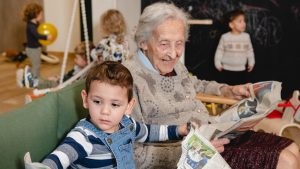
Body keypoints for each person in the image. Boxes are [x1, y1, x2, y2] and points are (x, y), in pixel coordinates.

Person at [122, 2, 300, 169]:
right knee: (286, 161)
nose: (174, 53)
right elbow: (134, 153)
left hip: (211, 133)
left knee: (292, 147)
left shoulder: (172, 64)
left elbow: (195, 84)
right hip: (188, 155)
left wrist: (229, 90)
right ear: (143, 42)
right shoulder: (126, 81)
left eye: (179, 43)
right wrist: (196, 150)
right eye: (164, 44)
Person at [36, 61, 190, 168]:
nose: (105, 111)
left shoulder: (128, 124)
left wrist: (178, 130)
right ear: (85, 99)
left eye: (115, 105)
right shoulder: (83, 136)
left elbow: (149, 132)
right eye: (97, 102)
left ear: (129, 106)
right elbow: (60, 156)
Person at [17, 41, 95, 89]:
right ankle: (28, 81)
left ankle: (32, 82)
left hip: (67, 88)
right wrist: (59, 77)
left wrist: (58, 80)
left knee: (51, 84)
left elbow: (73, 82)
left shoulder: (86, 72)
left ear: (86, 60)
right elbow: (68, 75)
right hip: (64, 83)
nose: (74, 60)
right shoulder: (77, 67)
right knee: (49, 80)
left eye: (77, 58)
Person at [214, 9, 255, 85]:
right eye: (240, 21)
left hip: (241, 71)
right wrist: (217, 63)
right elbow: (219, 51)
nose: (244, 23)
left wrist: (251, 62)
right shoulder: (225, 37)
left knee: (241, 91)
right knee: (226, 90)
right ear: (231, 25)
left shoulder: (246, 37)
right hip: (226, 70)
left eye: (244, 21)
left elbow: (250, 51)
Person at [21, 2, 52, 87]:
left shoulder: (35, 24)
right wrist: (46, 37)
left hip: (35, 48)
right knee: (36, 65)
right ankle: (34, 79)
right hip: (32, 49)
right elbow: (37, 35)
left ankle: (31, 78)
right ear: (35, 14)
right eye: (41, 15)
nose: (42, 16)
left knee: (37, 64)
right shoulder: (31, 26)